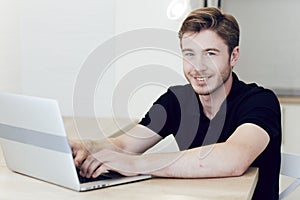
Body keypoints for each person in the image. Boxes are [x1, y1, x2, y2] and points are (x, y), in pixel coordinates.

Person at [70, 7, 281, 199]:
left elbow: (234, 158)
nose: (198, 67)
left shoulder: (260, 101)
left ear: (233, 56)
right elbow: (127, 144)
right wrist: (88, 147)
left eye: (210, 53)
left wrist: (137, 164)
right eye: (189, 54)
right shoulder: (177, 100)